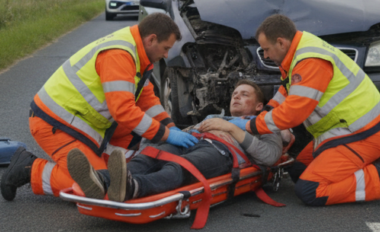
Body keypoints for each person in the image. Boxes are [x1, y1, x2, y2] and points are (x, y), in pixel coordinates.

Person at [0, 13, 200, 201]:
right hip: (54, 122)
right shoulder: (120, 55)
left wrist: (170, 126)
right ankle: (29, 168)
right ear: (151, 39)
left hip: (80, 122)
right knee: (95, 187)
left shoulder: (138, 53)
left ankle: (108, 161)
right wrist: (167, 135)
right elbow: (123, 111)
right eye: (166, 48)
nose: (166, 55)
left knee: (117, 176)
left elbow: (147, 100)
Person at [230, 14, 380, 207]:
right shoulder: (300, 49)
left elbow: (293, 113)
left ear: (281, 42)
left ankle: (377, 174)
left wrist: (251, 126)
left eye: (266, 49)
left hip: (364, 134)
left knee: (309, 190)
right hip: (345, 129)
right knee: (297, 170)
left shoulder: (309, 60)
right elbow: (289, 90)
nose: (265, 55)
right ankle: (366, 166)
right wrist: (266, 110)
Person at [66, 79, 288, 202]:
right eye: (235, 94)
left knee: (179, 167)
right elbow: (185, 132)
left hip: (223, 151)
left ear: (259, 106)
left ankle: (134, 187)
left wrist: (231, 129)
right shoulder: (214, 117)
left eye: (245, 94)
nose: (237, 96)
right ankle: (101, 180)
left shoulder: (265, 123)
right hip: (193, 140)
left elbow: (270, 156)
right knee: (150, 157)